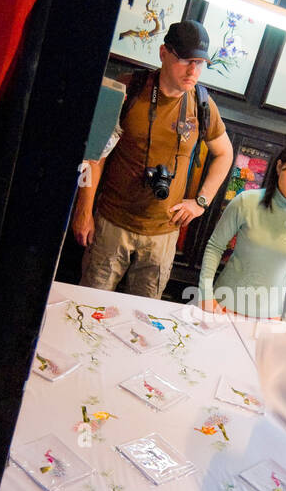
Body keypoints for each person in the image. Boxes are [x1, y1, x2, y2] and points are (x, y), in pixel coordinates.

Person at [74, 20, 234, 299]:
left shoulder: (202, 104)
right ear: (163, 53)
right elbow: (92, 155)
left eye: (200, 63)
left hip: (163, 234)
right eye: (186, 60)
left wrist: (201, 202)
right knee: (88, 306)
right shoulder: (128, 90)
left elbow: (225, 154)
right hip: (112, 224)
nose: (193, 71)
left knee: (144, 320)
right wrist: (83, 211)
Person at [197, 137, 286, 322]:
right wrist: (206, 295)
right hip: (223, 306)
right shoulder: (245, 201)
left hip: (270, 318)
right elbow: (215, 247)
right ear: (279, 167)